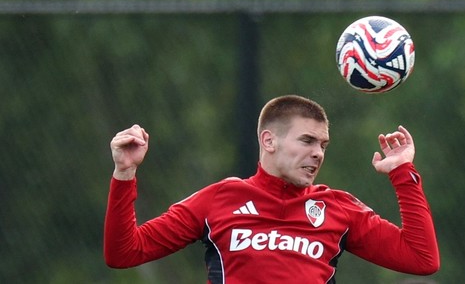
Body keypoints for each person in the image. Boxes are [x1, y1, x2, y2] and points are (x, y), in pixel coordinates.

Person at [104, 94, 440, 282]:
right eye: (307, 140)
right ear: (269, 140)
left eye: (323, 144)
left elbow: (421, 258)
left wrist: (402, 172)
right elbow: (124, 253)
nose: (317, 153)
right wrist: (124, 173)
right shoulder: (220, 199)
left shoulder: (337, 208)